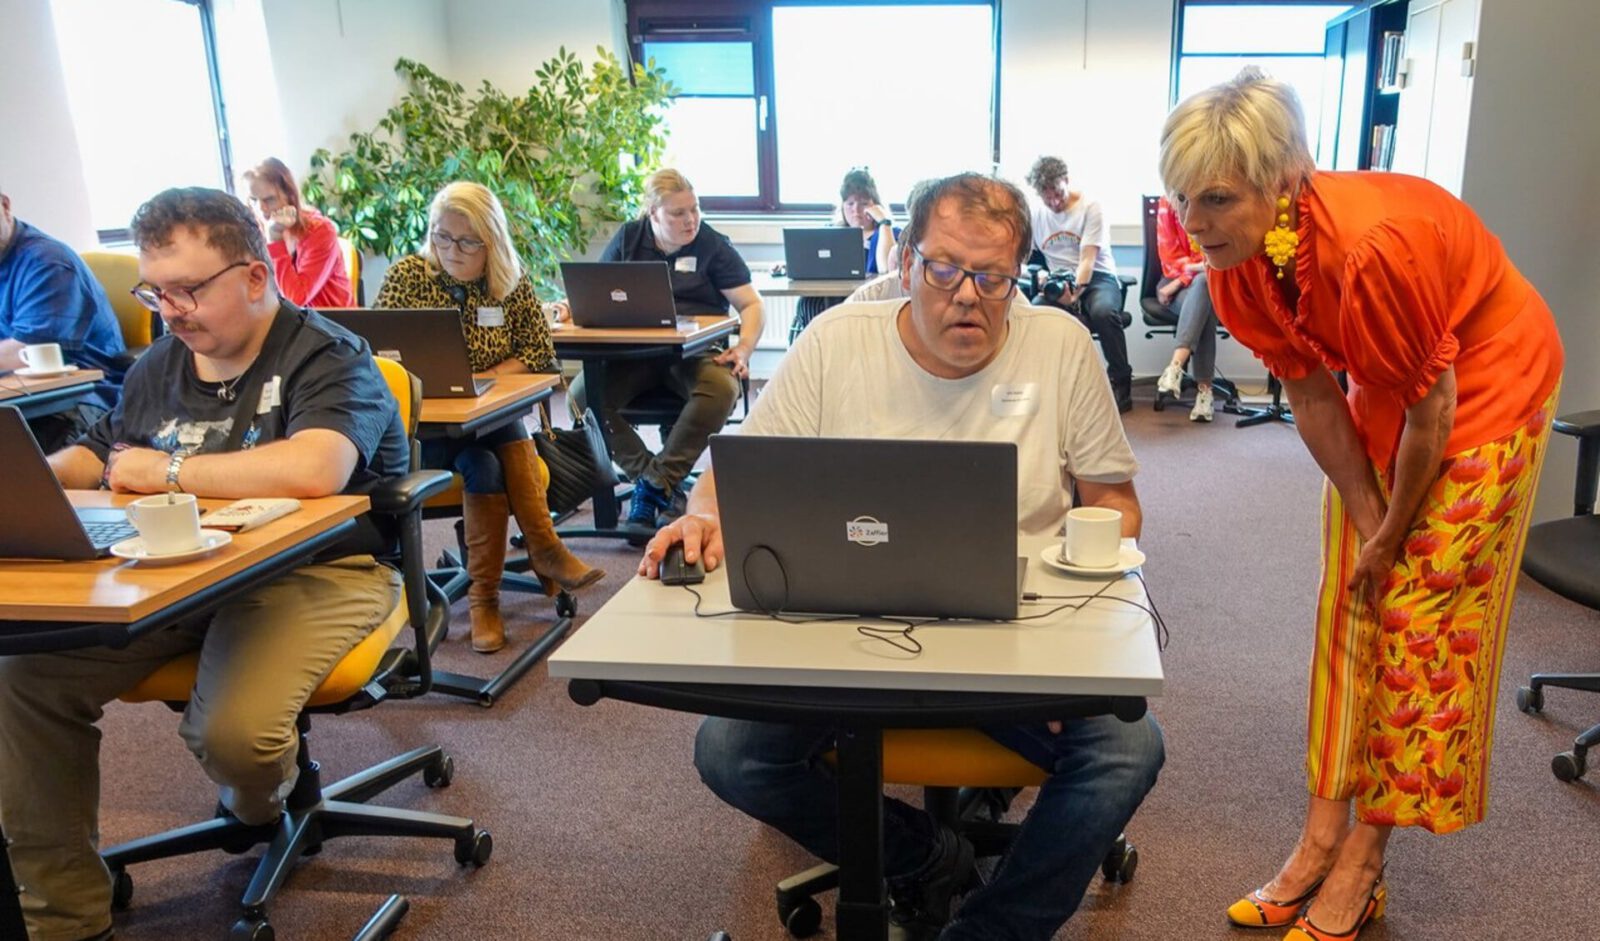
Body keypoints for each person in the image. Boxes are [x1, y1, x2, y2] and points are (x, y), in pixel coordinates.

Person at [639, 172, 1164, 941]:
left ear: (1017, 275)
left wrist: (1075, 638)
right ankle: (920, 856)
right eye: (945, 268)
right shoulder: (838, 341)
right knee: (732, 753)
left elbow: (1115, 506)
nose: (968, 295)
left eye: (993, 278)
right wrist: (701, 516)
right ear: (908, 259)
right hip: (843, 633)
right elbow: (732, 472)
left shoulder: (1061, 345)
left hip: (1014, 640)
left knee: (1128, 747)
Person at [1161, 69, 1564, 941]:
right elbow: (1311, 396)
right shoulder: (1239, 262)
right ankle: (1317, 837)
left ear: (1282, 180)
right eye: (1182, 198)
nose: (1193, 225)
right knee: (1349, 597)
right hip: (1399, 378)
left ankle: (1363, 863)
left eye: (1217, 199)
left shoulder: (1375, 248)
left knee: (1420, 613)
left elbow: (1436, 409)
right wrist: (1366, 523)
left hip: (1483, 382)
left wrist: (1397, 534)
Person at [0, 187, 409, 941]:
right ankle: (64, 917)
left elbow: (317, 466)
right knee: (25, 679)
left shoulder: (329, 355)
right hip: (179, 573)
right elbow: (106, 449)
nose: (171, 309)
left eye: (188, 289)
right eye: (156, 290)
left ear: (254, 277)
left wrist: (170, 474)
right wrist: (35, 473)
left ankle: (264, 797)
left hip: (318, 571)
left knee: (234, 735)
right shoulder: (162, 362)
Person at [374, 181, 601, 653]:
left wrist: (487, 378)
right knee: (498, 438)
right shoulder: (407, 276)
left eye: (466, 241)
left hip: (484, 429)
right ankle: (544, 548)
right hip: (426, 430)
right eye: (441, 237)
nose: (451, 251)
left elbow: (540, 356)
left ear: (491, 241)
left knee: (486, 463)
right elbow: (379, 351)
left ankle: (485, 601)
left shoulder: (509, 281)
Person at [554, 169, 764, 537]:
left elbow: (751, 305)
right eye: (678, 214)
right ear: (652, 214)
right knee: (580, 396)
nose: (691, 220)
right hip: (633, 354)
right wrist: (572, 307)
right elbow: (597, 291)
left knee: (723, 388)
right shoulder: (629, 239)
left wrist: (744, 348)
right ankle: (654, 482)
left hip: (695, 352)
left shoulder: (713, 245)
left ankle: (653, 486)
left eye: (694, 210)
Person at [0, 180, 127, 450]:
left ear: (5, 205)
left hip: (85, 402)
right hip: (24, 402)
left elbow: (26, 352)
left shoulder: (48, 262)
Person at [1025, 156, 1132, 413]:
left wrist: (1074, 296)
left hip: (1097, 277)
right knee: (1034, 315)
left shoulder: (1090, 207)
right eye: (1047, 197)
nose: (1054, 202)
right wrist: (1040, 278)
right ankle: (1043, 385)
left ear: (1067, 181)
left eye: (1058, 194)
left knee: (1103, 313)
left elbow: (1087, 259)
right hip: (1057, 279)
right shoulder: (1036, 214)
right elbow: (1023, 258)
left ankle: (1121, 381)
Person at [790, 167, 903, 342]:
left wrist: (884, 223)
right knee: (808, 301)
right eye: (850, 204)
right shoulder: (832, 233)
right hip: (831, 298)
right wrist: (787, 265)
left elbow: (885, 269)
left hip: (869, 302)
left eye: (863, 203)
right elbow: (811, 262)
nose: (856, 210)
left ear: (875, 205)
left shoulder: (890, 233)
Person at [243, 157, 354, 309]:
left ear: (290, 196)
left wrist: (275, 242)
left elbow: (295, 299)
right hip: (290, 321)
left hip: (330, 323)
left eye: (269, 200)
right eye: (254, 200)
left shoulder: (319, 230)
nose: (261, 209)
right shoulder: (254, 229)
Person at [1151, 195, 1222, 422]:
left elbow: (1215, 261)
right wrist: (1183, 279)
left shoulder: (1214, 204)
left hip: (1193, 285)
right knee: (1205, 298)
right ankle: (1205, 393)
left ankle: (1175, 366)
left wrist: (1180, 282)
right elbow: (1170, 260)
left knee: (1204, 286)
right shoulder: (1167, 204)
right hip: (1175, 283)